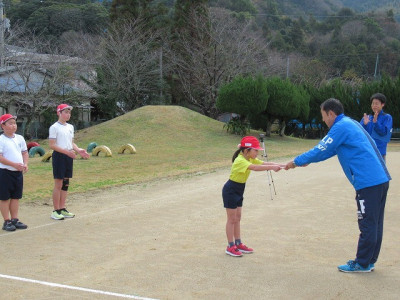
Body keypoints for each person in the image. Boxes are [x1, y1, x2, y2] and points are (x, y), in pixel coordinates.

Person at [285, 98, 391, 272]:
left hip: (368, 182)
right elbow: (331, 150)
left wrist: (296, 161)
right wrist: (307, 161)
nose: (323, 120)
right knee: (375, 223)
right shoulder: (349, 123)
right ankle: (369, 260)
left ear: (331, 113)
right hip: (378, 180)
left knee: (367, 223)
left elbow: (321, 148)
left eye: (323, 116)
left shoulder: (340, 127)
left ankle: (362, 263)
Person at [223, 136, 284, 257]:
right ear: (247, 151)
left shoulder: (249, 158)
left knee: (238, 217)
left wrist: (285, 165)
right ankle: (230, 246)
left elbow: (265, 163)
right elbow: (256, 168)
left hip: (239, 190)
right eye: (255, 150)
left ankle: (238, 243)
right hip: (231, 190)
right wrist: (272, 168)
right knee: (232, 219)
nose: (257, 153)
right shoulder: (241, 160)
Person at [49, 104, 89, 220]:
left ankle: (62, 208)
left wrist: (78, 150)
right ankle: (55, 210)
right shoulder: (54, 127)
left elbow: (71, 143)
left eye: (69, 112)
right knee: (58, 184)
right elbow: (52, 145)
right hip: (59, 156)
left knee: (66, 183)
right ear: (59, 113)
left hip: (68, 156)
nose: (68, 114)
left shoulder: (70, 127)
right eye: (65, 112)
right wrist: (67, 152)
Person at [0, 114, 29, 231]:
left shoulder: (20, 138)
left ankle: (14, 219)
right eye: (10, 123)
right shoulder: (1, 139)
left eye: (14, 123)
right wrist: (13, 164)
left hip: (17, 173)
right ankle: (6, 221)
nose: (13, 126)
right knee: (5, 198)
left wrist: (25, 164)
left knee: (16, 197)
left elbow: (25, 153)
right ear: (3, 126)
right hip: (5, 172)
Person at [360, 93, 393, 161]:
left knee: (380, 171)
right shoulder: (367, 117)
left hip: (380, 151)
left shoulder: (387, 117)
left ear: (382, 104)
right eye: (373, 103)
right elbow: (360, 133)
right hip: (367, 150)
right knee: (367, 170)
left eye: (376, 103)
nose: (374, 106)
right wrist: (364, 125)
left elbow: (384, 133)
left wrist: (376, 122)